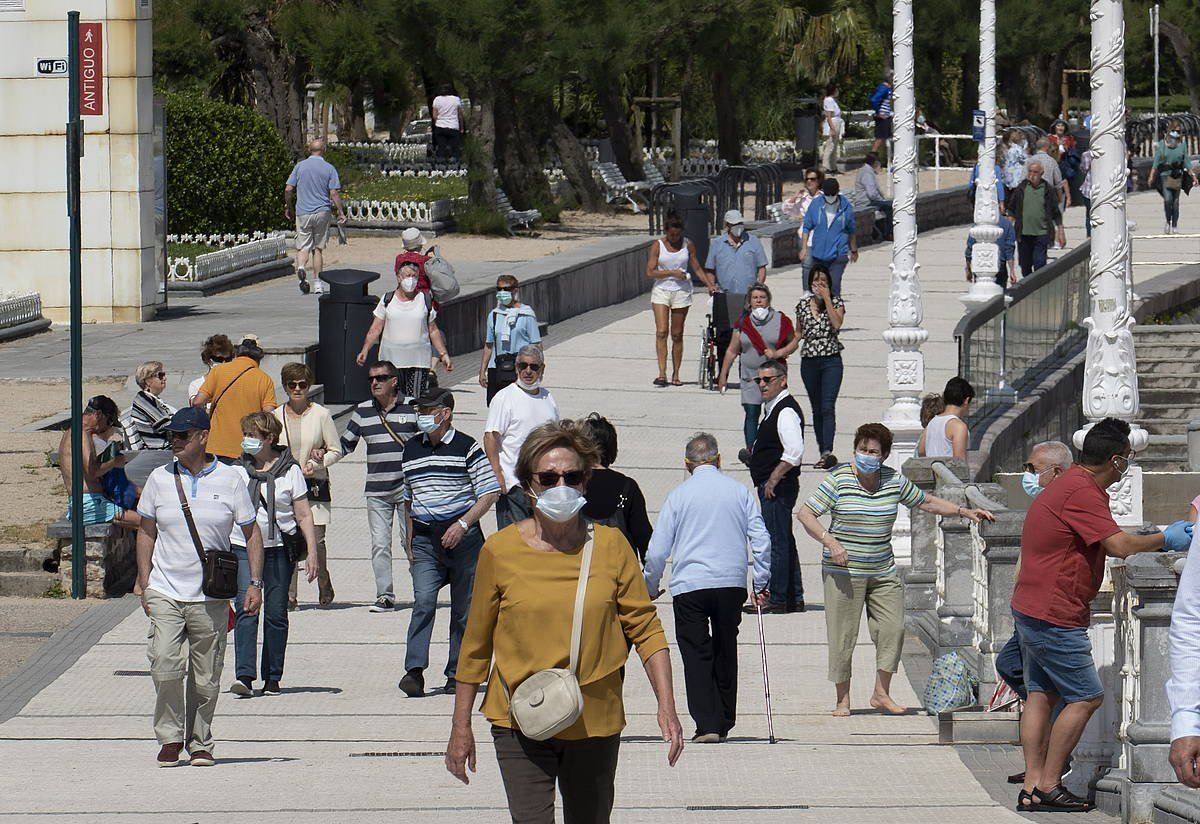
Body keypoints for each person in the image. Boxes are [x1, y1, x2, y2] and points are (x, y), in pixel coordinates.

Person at [446, 420, 684, 820]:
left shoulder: (612, 546)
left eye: (572, 476)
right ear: (528, 484)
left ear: (586, 481)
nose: (561, 486)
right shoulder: (500, 552)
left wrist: (667, 706)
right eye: (548, 477)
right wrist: (460, 728)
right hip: (518, 717)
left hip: (595, 720)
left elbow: (646, 628)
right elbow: (475, 644)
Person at [1012, 417, 1191, 812]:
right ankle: (1047, 784)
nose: (1125, 466)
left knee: (1042, 695)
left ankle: (1030, 784)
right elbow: (1120, 545)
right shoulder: (1083, 491)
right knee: (1087, 696)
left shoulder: (1066, 483)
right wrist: (1168, 537)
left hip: (1032, 605)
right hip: (1055, 611)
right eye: (1126, 459)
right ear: (1116, 460)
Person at [798, 422, 994, 717]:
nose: (866, 455)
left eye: (873, 451)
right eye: (862, 449)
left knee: (893, 629)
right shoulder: (838, 479)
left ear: (884, 455)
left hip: (882, 569)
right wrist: (830, 542)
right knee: (843, 636)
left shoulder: (893, 480)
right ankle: (843, 698)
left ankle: (881, 693)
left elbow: (925, 501)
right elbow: (806, 513)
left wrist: (963, 510)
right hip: (843, 572)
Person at [134, 407, 263, 767]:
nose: (173, 442)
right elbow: (146, 531)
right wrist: (144, 582)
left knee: (206, 676)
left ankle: (200, 740)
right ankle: (170, 737)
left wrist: (254, 583)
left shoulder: (231, 478)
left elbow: (252, 533)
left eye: (181, 436)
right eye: (171, 436)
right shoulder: (160, 478)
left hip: (211, 594)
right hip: (165, 588)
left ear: (203, 436)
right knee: (164, 663)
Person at [644, 432, 771, 743]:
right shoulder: (739, 492)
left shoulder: (678, 496)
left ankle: (708, 723)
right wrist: (762, 579)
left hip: (691, 584)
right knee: (726, 647)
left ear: (687, 464)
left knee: (696, 651)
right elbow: (762, 539)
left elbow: (658, 549)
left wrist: (650, 583)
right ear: (718, 460)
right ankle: (726, 717)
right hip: (730, 582)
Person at [398, 388, 500, 698]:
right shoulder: (411, 449)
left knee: (463, 609)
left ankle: (458, 673)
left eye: (428, 411)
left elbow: (489, 492)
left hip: (464, 538)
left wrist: (462, 523)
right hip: (426, 540)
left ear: (446, 414)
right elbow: (407, 496)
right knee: (424, 601)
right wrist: (408, 537)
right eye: (420, 411)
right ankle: (414, 671)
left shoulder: (466, 447)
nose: (422, 417)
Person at [993, 440, 1073, 787]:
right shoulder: (1043, 503)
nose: (1028, 476)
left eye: (1033, 469)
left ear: (1056, 471)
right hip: (1029, 606)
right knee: (1013, 668)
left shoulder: (1068, 503)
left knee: (1067, 694)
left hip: (1047, 608)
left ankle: (1045, 771)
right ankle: (1039, 766)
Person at [227, 412, 318, 698]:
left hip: (279, 550)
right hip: (243, 547)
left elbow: (303, 514)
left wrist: (313, 552)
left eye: (252, 435)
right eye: (245, 434)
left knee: (276, 614)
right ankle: (244, 675)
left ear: (268, 438)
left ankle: (273, 676)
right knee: (246, 607)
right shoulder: (236, 470)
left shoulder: (290, 471)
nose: (246, 441)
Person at [340, 361, 418, 612]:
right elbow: (344, 445)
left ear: (394, 381)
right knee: (380, 544)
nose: (375, 382)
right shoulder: (362, 411)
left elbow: (428, 442)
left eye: (381, 378)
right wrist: (320, 456)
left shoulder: (413, 406)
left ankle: (422, 591)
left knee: (412, 542)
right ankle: (385, 595)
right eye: (371, 379)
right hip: (377, 491)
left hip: (409, 490)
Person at [273, 362, 341, 608]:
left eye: (302, 384)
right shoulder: (275, 416)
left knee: (317, 539)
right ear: (285, 386)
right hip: (287, 486)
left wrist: (320, 462)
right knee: (290, 537)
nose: (298, 389)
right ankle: (290, 594)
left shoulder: (321, 414)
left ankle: (323, 580)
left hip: (314, 484)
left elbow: (336, 449)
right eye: (292, 384)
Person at [747, 360, 805, 614]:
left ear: (783, 379)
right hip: (772, 485)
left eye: (767, 380)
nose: (762, 384)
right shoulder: (772, 409)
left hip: (777, 487)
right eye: (759, 380)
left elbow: (794, 452)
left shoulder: (785, 410)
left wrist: (773, 478)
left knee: (776, 541)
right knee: (783, 539)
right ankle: (793, 596)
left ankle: (779, 597)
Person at [484, 345, 560, 529]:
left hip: (544, 487)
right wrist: (498, 475)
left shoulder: (548, 397)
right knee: (514, 546)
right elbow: (490, 437)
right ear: (516, 367)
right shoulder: (504, 398)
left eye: (534, 367)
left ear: (542, 369)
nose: (528, 371)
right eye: (523, 366)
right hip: (514, 486)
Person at [717, 284, 798, 455]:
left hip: (774, 376)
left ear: (769, 300)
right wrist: (723, 375)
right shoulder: (742, 324)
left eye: (763, 297)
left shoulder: (780, 320)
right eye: (755, 298)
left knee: (775, 413)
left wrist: (779, 353)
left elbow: (793, 342)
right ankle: (752, 451)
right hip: (749, 376)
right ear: (749, 302)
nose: (759, 301)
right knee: (752, 414)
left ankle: (774, 448)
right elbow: (732, 350)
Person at [356, 262, 453, 400]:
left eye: (415, 276)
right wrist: (365, 350)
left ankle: (412, 421)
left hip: (418, 360)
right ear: (399, 278)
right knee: (393, 398)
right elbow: (375, 329)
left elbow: (433, 330)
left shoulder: (424, 299)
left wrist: (444, 355)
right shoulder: (387, 299)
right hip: (391, 360)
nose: (411, 280)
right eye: (408, 275)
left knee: (414, 399)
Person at [647, 212, 716, 387]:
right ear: (666, 232)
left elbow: (697, 267)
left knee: (677, 334)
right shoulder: (658, 246)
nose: (675, 238)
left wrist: (709, 284)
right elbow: (650, 271)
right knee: (662, 331)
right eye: (672, 235)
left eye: (678, 235)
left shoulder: (688, 245)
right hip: (662, 290)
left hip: (682, 292)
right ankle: (662, 373)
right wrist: (671, 273)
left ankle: (676, 373)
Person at [580, 413, 653, 562]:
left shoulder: (569, 482)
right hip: (618, 573)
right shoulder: (627, 486)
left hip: (577, 571)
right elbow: (644, 539)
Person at [60, 396, 140, 529]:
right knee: (146, 523)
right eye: (109, 422)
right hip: (89, 504)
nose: (108, 427)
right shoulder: (81, 434)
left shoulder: (78, 432)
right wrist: (115, 462)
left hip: (88, 502)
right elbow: (92, 472)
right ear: (99, 415)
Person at [192, 336, 277, 462]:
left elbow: (197, 402)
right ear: (258, 359)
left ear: (237, 354)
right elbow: (268, 416)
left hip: (216, 446)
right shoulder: (264, 379)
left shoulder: (219, 371)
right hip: (248, 449)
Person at [796, 264, 846, 470]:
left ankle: (828, 450)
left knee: (827, 406)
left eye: (823, 281)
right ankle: (821, 450)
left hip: (830, 360)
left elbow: (837, 324)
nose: (819, 285)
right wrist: (780, 352)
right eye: (816, 281)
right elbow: (798, 334)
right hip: (809, 361)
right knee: (816, 408)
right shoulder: (802, 306)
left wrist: (826, 298)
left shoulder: (836, 302)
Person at [284, 138, 346, 295]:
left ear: (309, 150)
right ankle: (318, 283)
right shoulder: (329, 168)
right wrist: (340, 211)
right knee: (317, 249)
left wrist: (289, 206)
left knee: (303, 246)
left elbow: (288, 189)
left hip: (303, 211)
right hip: (322, 211)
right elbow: (333, 192)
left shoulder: (300, 167)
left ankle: (301, 268)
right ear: (323, 149)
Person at [479, 274, 541, 403]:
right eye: (499, 289)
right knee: (496, 405)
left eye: (506, 289)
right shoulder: (494, 315)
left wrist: (537, 369)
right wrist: (482, 371)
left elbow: (536, 345)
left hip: (519, 368)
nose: (502, 293)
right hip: (497, 368)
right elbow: (489, 345)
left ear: (515, 290)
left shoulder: (526, 314)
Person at [799, 178, 858, 297]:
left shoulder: (846, 207)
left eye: (833, 194)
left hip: (838, 254)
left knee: (834, 285)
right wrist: (804, 248)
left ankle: (835, 311)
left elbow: (851, 230)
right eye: (827, 194)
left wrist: (854, 250)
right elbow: (807, 227)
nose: (830, 196)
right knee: (818, 286)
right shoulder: (816, 205)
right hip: (818, 253)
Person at [1010, 162, 1063, 277]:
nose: (1032, 175)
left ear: (1041, 174)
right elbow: (1012, 209)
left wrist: (1060, 231)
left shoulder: (1048, 190)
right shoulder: (1021, 188)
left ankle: (1037, 288)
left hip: (1042, 233)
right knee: (1025, 265)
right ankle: (1028, 289)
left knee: (1040, 264)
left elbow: (1056, 212)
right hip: (1023, 234)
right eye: (1030, 171)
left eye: (1035, 172)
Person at [704, 209, 768, 295]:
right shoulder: (717, 244)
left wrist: (760, 287)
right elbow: (710, 269)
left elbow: (761, 267)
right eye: (734, 224)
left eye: (740, 223)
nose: (738, 227)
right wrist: (712, 286)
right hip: (724, 294)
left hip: (749, 294)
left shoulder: (754, 241)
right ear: (727, 225)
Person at [1150, 124, 1197, 235]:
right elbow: (1156, 162)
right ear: (1169, 131)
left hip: (1177, 176)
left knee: (1175, 202)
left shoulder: (1182, 146)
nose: (1176, 133)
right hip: (1165, 176)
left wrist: (1193, 176)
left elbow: (1187, 162)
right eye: (1174, 130)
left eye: (1178, 131)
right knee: (1167, 200)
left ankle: (1174, 225)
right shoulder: (1162, 145)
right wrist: (1151, 176)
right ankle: (1168, 221)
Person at [918, 377, 973, 460]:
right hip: (948, 472)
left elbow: (921, 451)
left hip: (932, 471)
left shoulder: (932, 423)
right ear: (966, 400)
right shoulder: (958, 426)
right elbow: (959, 462)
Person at [126, 361, 176, 451]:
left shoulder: (150, 398)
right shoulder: (145, 402)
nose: (165, 378)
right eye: (160, 375)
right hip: (162, 451)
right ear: (148, 381)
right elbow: (167, 426)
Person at [965, 213, 1017, 288]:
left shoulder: (977, 225)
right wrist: (1012, 271)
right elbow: (1009, 250)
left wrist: (968, 268)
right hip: (999, 266)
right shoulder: (1007, 224)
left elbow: (969, 249)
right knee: (999, 295)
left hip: (980, 266)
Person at [850, 153, 893, 239]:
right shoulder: (867, 173)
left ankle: (881, 232)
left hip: (868, 201)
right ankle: (888, 233)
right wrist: (882, 200)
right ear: (876, 163)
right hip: (866, 203)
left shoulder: (865, 171)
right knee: (890, 206)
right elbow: (872, 193)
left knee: (887, 206)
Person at [393, 227, 437, 305]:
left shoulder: (399, 258)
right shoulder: (426, 260)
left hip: (402, 296)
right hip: (422, 298)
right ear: (420, 245)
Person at [188, 334, 234, 406]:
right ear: (208, 360)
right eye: (219, 359)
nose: (224, 362)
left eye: (228, 359)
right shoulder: (196, 385)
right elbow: (196, 406)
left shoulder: (235, 382)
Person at [431, 84, 465, 163]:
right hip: (453, 126)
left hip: (440, 126)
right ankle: (455, 167)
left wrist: (438, 123)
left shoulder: (437, 99)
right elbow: (460, 115)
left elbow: (434, 115)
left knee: (441, 148)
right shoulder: (456, 99)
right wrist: (462, 127)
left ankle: (440, 168)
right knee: (455, 148)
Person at [868, 72, 894, 156]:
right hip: (883, 116)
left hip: (887, 115)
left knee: (886, 137)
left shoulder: (886, 88)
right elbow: (873, 99)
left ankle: (889, 156)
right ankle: (871, 157)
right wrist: (879, 112)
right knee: (880, 138)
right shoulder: (884, 88)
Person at [820, 83, 843, 173]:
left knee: (834, 146)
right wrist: (832, 128)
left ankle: (833, 167)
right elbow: (829, 116)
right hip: (833, 123)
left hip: (837, 122)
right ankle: (825, 166)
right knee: (830, 146)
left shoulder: (833, 100)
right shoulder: (829, 100)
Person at [1003, 129, 1029, 201]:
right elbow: (1025, 161)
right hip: (1016, 181)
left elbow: (1009, 167)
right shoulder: (1017, 150)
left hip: (1012, 181)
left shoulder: (1012, 149)